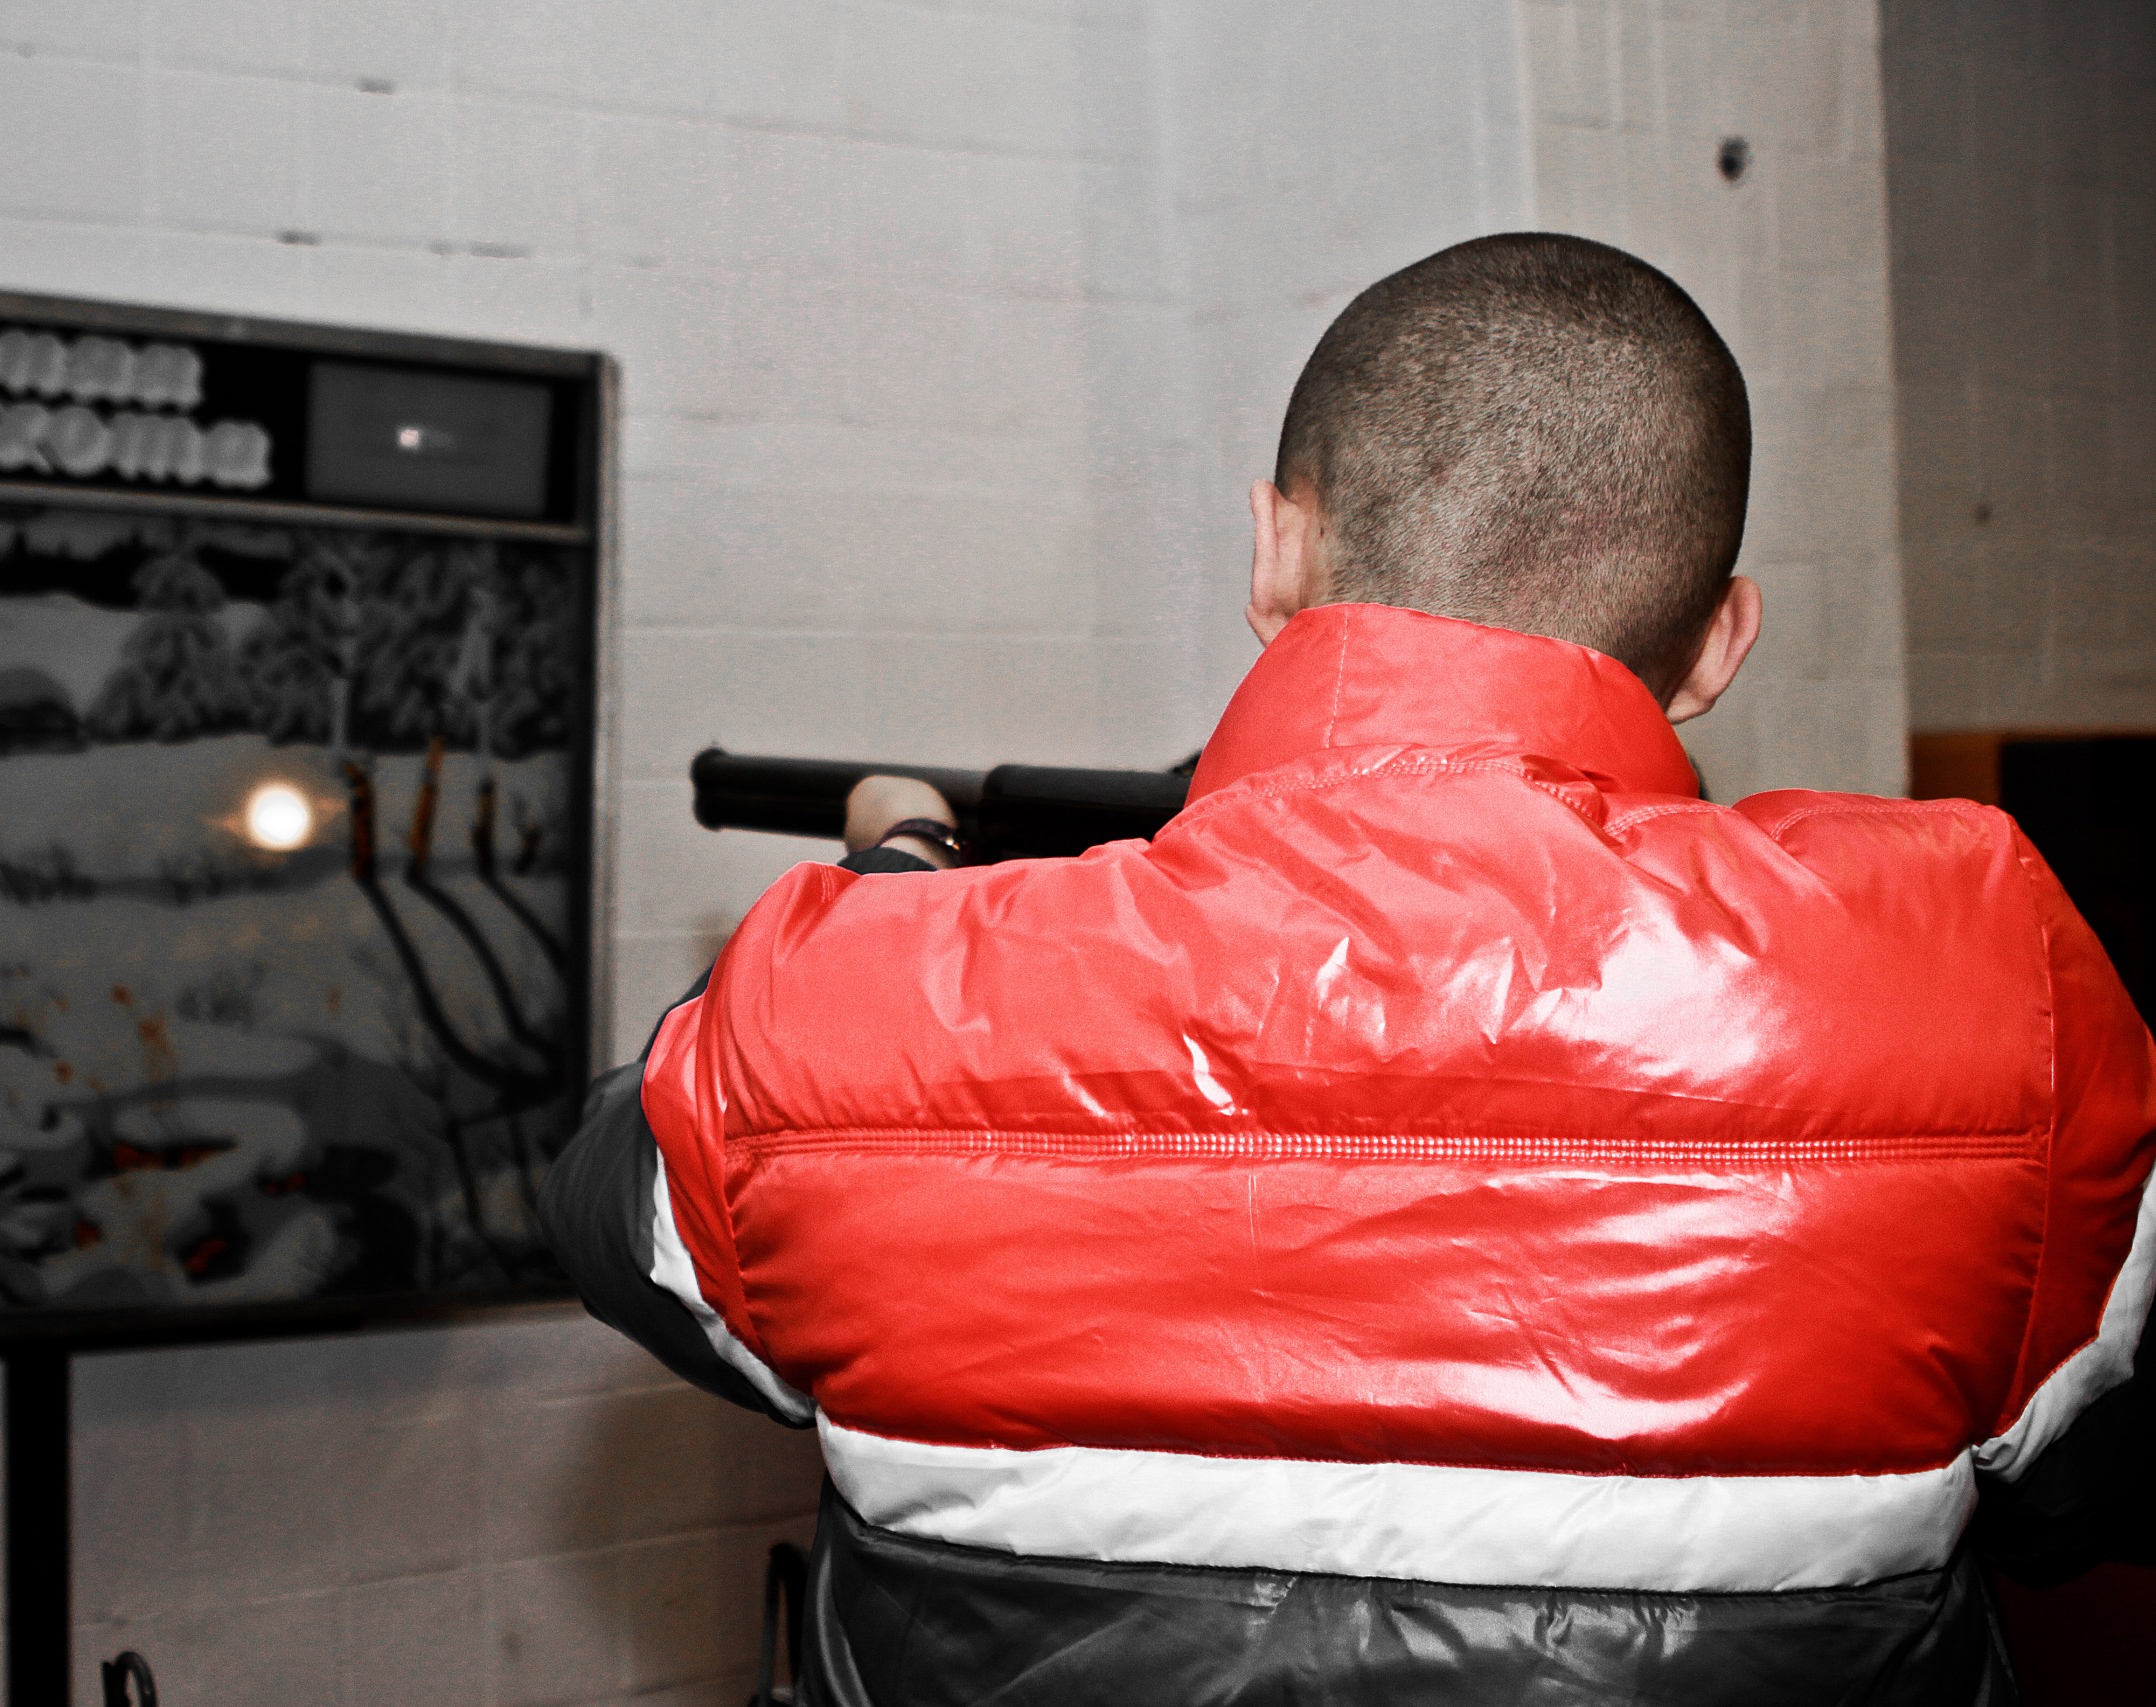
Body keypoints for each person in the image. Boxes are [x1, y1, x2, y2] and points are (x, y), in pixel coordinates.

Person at [540, 233, 2154, 1705]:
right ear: (1723, 642)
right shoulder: (1989, 964)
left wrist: (899, 868)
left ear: (1275, 548)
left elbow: (614, 1199)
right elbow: (2076, 1483)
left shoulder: (854, 1000)